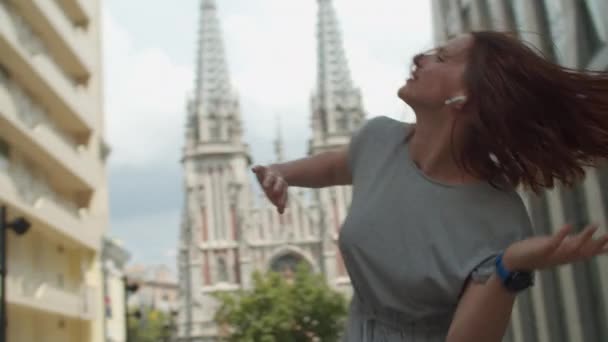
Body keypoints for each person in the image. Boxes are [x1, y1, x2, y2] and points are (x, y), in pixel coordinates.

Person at [251, 31, 608, 341]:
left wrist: (509, 263)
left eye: (443, 57)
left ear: (465, 97)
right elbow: (331, 168)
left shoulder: (500, 221)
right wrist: (282, 172)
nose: (420, 57)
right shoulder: (379, 140)